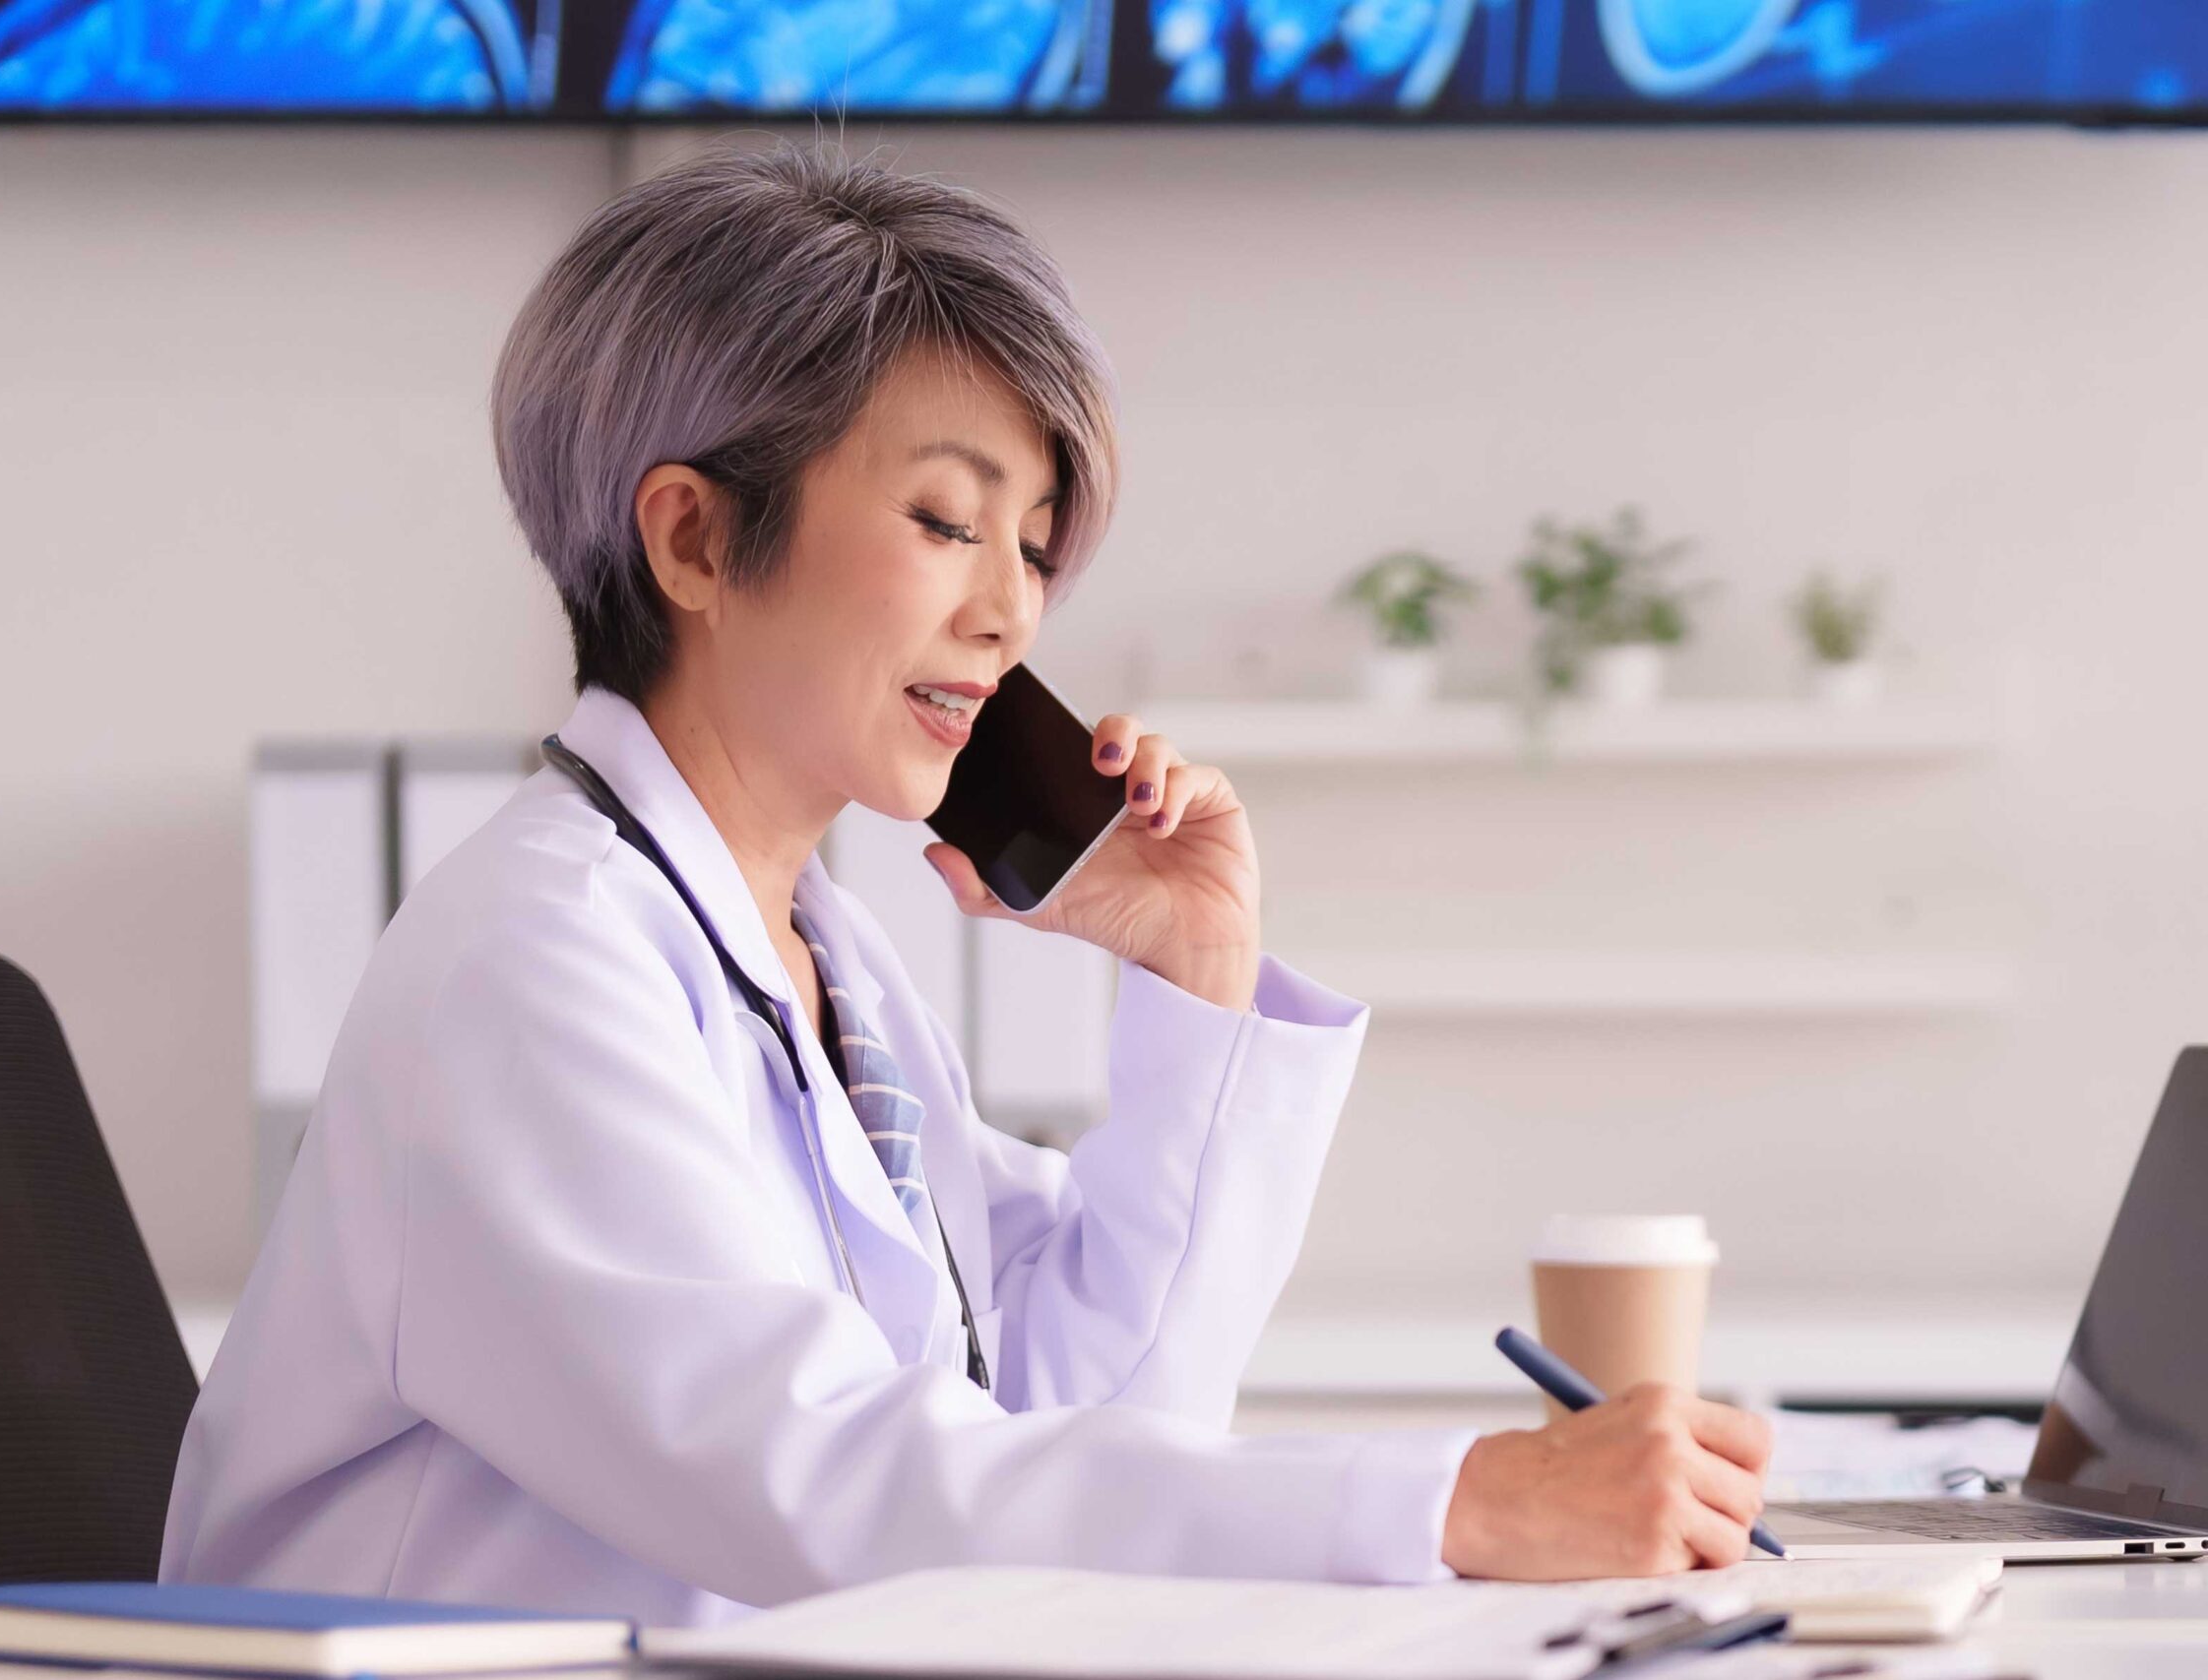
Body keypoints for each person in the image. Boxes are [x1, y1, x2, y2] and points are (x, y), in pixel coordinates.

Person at [158, 139, 1773, 1627]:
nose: (1014, 614)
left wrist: (1196, 976)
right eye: (948, 521)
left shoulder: (823, 964)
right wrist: (1451, 1502)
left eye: (1038, 544)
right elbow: (833, 1490)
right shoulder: (531, 964)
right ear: (696, 542)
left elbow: (1093, 1428)